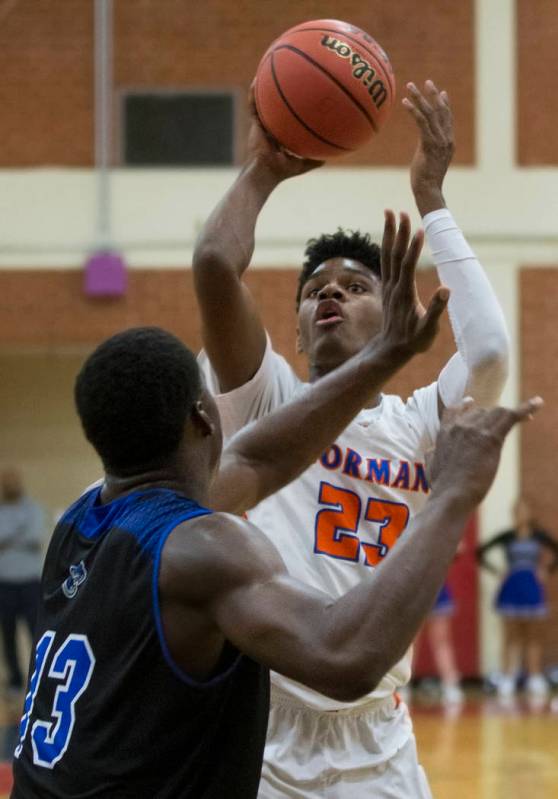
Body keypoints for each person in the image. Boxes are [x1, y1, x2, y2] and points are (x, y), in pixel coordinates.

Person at [10, 321, 539, 797]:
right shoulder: (204, 549)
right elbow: (346, 657)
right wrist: (451, 495)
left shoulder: (78, 519)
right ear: (204, 417)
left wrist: (386, 353)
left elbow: (261, 456)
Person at [193, 80, 510, 797]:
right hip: (265, 730)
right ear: (299, 326)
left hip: (378, 736)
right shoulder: (268, 400)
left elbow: (490, 353)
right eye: (315, 290)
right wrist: (263, 169)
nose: (331, 293)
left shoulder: (419, 421)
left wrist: (432, 197)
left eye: (357, 285)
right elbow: (215, 268)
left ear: (395, 307)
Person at [477, 498, 558, 698]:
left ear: (529, 514)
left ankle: (534, 676)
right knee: (511, 635)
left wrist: (546, 570)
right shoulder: (508, 536)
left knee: (532, 634)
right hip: (512, 586)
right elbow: (480, 552)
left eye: (523, 511)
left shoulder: (539, 536)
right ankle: (508, 676)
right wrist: (498, 571)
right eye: (516, 512)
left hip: (531, 586)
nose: (520, 515)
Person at [0, 468, 44, 699]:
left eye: (13, 482)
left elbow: (34, 538)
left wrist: (7, 541)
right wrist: (20, 535)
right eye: (6, 483)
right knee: (8, 635)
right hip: (4, 584)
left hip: (30, 583)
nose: (10, 486)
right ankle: (15, 681)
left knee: (35, 631)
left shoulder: (33, 509)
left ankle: (39, 677)